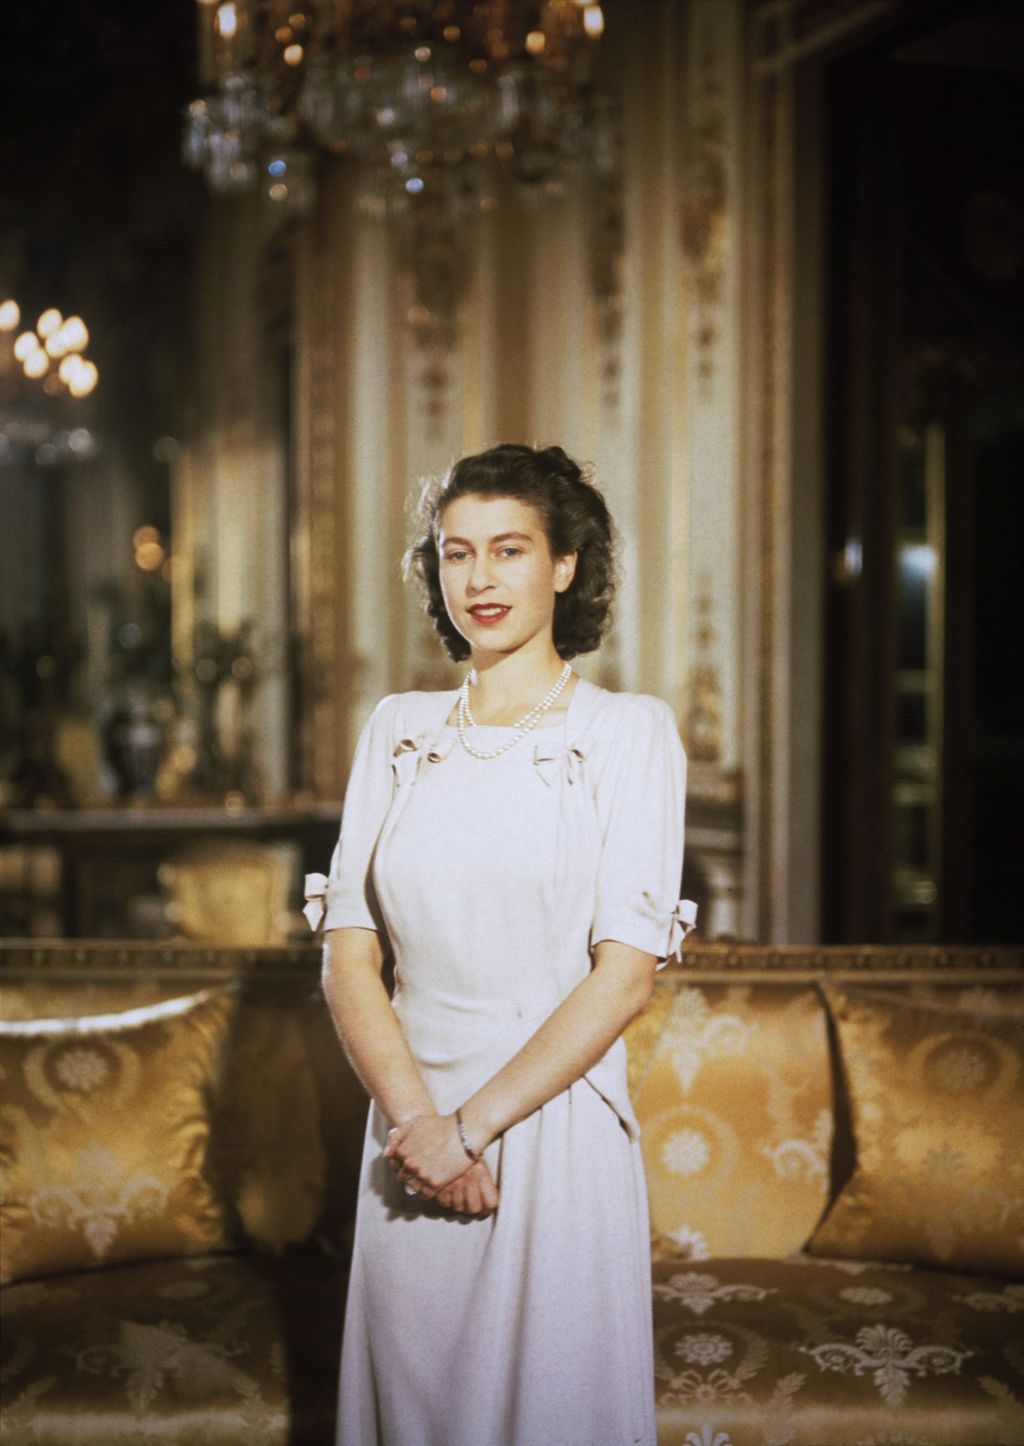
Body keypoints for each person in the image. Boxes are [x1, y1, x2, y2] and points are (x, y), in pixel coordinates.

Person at [305, 442, 695, 1446]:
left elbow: (623, 980)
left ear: (564, 564)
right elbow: (349, 956)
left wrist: (472, 1129)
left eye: (509, 550)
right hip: (406, 1131)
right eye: (455, 553)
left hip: (549, 1130)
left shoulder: (628, 735)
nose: (479, 579)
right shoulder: (395, 728)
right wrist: (421, 1128)